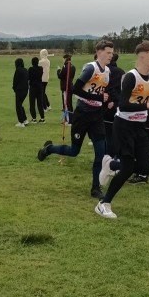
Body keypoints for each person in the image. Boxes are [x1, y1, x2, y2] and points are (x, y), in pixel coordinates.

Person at [95, 41, 149, 218]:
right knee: (127, 169)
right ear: (142, 57)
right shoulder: (130, 77)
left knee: (146, 167)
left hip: (139, 127)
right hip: (124, 126)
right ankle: (104, 204)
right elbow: (124, 105)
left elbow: (148, 98)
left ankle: (111, 164)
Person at [37, 39, 113, 198]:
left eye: (112, 53)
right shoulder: (91, 68)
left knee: (100, 152)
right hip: (82, 115)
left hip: (97, 117)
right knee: (74, 151)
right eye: (108, 53)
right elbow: (76, 89)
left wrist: (104, 99)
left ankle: (95, 188)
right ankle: (49, 149)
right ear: (99, 52)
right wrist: (98, 98)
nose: (111, 55)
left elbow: (99, 92)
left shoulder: (107, 72)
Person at [102, 52, 125, 158]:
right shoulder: (121, 72)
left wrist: (111, 100)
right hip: (119, 106)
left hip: (107, 105)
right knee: (118, 133)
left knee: (108, 134)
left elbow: (106, 89)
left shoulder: (105, 71)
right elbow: (123, 90)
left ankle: (109, 156)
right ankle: (117, 155)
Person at [12, 57, 29, 127]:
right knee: (20, 105)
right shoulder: (25, 70)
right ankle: (25, 120)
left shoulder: (18, 70)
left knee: (18, 106)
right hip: (26, 90)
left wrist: (14, 88)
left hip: (19, 90)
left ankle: (21, 122)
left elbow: (15, 80)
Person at [28, 56, 44, 123]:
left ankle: (34, 118)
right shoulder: (41, 68)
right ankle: (42, 118)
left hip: (33, 87)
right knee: (40, 103)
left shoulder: (30, 69)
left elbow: (28, 78)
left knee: (32, 103)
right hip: (39, 87)